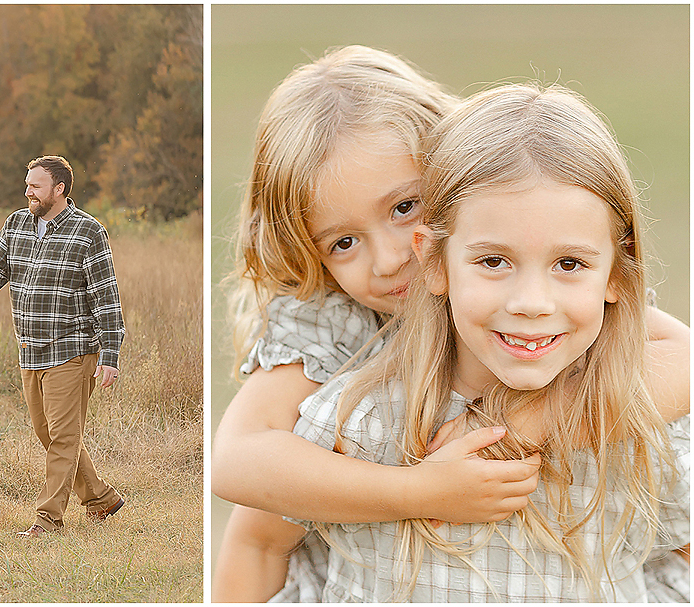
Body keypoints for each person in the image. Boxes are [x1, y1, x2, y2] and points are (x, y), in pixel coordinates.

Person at [210, 46, 692, 601]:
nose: (392, 258)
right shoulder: (339, 342)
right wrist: (417, 489)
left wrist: (515, 428)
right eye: (343, 242)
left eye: (405, 208)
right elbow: (241, 470)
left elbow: (680, 356)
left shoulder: (549, 294)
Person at [0, 156, 126, 537]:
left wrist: (109, 354)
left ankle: (48, 519)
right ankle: (102, 499)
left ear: (59, 189)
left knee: (63, 437)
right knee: (46, 432)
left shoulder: (88, 232)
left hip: (72, 349)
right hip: (30, 350)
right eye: (27, 184)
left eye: (36, 186)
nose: (27, 192)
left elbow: (106, 296)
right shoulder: (16, 225)